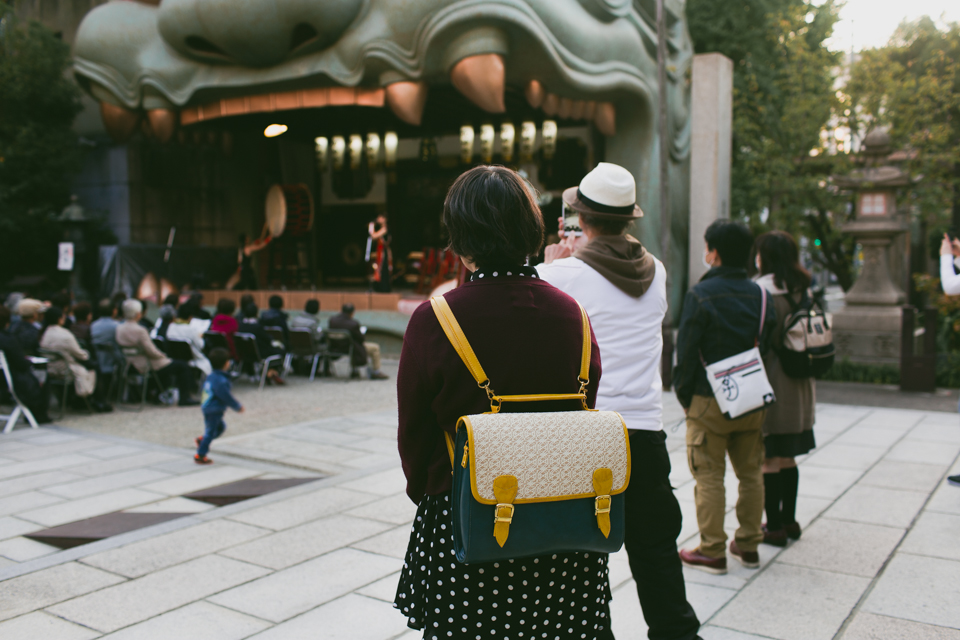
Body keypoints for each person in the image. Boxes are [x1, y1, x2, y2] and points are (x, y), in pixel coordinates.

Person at [395, 165, 614, 640]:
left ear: (460, 236)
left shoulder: (435, 320)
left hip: (469, 519)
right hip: (565, 519)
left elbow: (414, 435)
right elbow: (583, 406)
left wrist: (432, 495)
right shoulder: (572, 315)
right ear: (531, 232)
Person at [538, 162, 701, 639]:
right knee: (656, 556)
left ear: (581, 218)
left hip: (588, 433)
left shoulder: (561, 273)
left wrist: (554, 259)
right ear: (629, 219)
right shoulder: (659, 271)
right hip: (646, 432)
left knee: (581, 559)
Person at [675, 219, 775, 575]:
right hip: (750, 397)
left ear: (713, 252)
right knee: (751, 474)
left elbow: (686, 351)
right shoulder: (761, 294)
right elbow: (770, 345)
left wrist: (685, 396)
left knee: (709, 475)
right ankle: (748, 545)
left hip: (709, 398)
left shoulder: (700, 294)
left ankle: (712, 549)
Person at [750, 231, 817, 546]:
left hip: (774, 377)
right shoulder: (804, 288)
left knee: (769, 457)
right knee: (789, 456)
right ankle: (790, 521)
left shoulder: (763, 291)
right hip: (801, 381)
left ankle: (773, 526)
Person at [116, 299, 199, 406]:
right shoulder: (140, 330)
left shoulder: (119, 328)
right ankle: (185, 398)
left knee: (168, 367)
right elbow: (150, 350)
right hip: (145, 363)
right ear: (138, 314)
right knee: (182, 366)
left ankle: (158, 395)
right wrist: (162, 355)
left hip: (128, 363)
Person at [39, 306, 111, 412]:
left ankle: (87, 401)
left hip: (50, 368)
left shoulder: (44, 333)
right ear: (60, 318)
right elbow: (80, 354)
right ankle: (97, 401)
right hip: (66, 368)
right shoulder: (65, 335)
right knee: (93, 366)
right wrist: (86, 354)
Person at [0, 305, 52, 424]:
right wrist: (28, 362)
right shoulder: (7, 339)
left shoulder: (12, 333)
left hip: (4, 378)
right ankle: (39, 414)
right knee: (42, 376)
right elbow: (20, 364)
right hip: (9, 381)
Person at [195, 347, 243, 464]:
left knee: (220, 428)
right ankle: (201, 454)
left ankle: (203, 440)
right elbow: (225, 396)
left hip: (208, 407)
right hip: (214, 409)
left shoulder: (210, 376)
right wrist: (237, 406)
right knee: (211, 431)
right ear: (226, 363)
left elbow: (203, 390)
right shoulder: (221, 380)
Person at [329, 303, 388, 380]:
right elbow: (361, 339)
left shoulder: (332, 321)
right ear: (352, 313)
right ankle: (376, 371)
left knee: (354, 345)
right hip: (351, 348)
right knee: (375, 348)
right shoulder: (353, 324)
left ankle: (355, 370)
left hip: (335, 347)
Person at [238, 303, 285, 385]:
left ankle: (270, 372)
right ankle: (271, 371)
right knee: (281, 350)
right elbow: (267, 339)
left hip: (244, 353)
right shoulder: (257, 327)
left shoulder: (240, 326)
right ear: (256, 313)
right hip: (259, 354)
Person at [165, 303, 212, 376]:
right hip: (192, 359)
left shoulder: (171, 326)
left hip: (176, 358)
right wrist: (200, 337)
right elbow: (200, 345)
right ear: (190, 317)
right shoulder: (191, 330)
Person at [91, 300, 123, 384]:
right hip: (114, 360)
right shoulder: (117, 326)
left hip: (98, 360)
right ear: (114, 310)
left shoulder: (93, 325)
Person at [368, 212, 392, 292]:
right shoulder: (382, 228)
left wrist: (371, 227)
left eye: (380, 217)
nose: (378, 219)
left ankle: (384, 289)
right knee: (380, 269)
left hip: (383, 253)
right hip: (380, 252)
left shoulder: (384, 229)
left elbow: (374, 236)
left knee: (383, 269)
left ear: (384, 219)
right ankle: (381, 288)